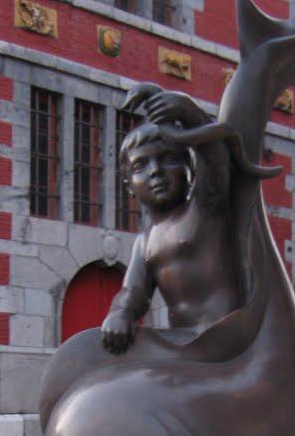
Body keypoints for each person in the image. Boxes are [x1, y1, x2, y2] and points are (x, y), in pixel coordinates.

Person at [101, 89, 241, 354]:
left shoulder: (205, 209)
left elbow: (215, 154)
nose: (156, 172)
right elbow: (134, 291)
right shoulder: (145, 243)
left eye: (168, 159)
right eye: (141, 166)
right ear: (129, 186)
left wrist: (187, 111)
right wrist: (121, 312)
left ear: (190, 171)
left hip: (227, 342)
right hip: (183, 345)